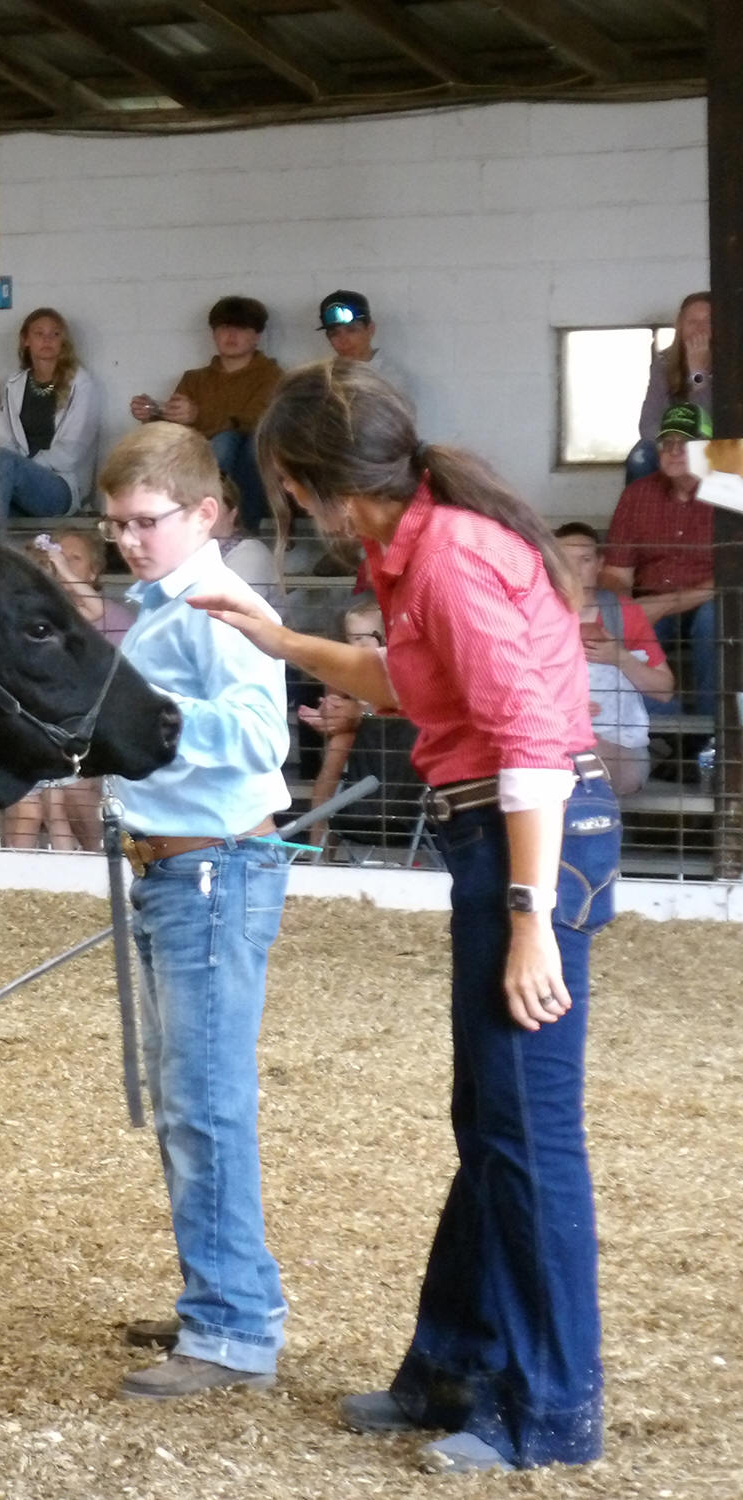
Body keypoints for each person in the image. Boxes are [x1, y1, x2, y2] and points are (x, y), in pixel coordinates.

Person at [192, 359, 618, 1475]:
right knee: (492, 1122)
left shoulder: (451, 557)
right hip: (500, 829)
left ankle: (549, 1411)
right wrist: (280, 640)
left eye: (286, 484)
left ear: (316, 480)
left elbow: (531, 743)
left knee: (527, 1133)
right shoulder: (415, 547)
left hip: (529, 835)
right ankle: (453, 1370)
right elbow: (411, 686)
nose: (287, 502)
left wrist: (529, 916)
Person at [94, 422, 293, 1404]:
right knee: (189, 1099)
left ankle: (232, 1330)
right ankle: (221, 1298)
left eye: (147, 521)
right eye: (116, 525)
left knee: (204, 1101)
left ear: (205, 513)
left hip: (211, 870)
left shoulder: (218, 607)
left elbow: (261, 737)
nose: (129, 540)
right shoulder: (164, 608)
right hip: (179, 870)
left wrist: (148, 723)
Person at [2, 529, 130, 852]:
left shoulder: (82, 614)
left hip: (75, 737)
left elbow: (96, 611)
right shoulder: (26, 614)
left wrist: (62, 569)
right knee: (32, 809)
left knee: (59, 801)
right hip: (35, 733)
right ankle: (16, 874)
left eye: (74, 559)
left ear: (93, 571)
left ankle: (79, 866)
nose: (62, 567)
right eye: (55, 561)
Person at [601, 401, 714, 720]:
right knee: (616, 623)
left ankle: (714, 734)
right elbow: (616, 574)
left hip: (708, 599)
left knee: (714, 621)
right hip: (650, 601)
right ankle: (664, 731)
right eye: (667, 442)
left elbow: (734, 576)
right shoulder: (638, 494)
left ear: (708, 448)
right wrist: (625, 609)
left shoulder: (732, 490)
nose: (674, 451)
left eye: (686, 442)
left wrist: (665, 603)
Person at [131, 297, 282, 533]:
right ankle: (211, 519)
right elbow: (175, 432)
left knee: (235, 441)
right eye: (224, 327)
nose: (231, 335)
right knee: (214, 443)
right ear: (213, 334)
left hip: (251, 474)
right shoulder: (194, 379)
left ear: (257, 336)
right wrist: (152, 414)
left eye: (241, 328)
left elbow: (255, 421)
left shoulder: (272, 376)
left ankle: (234, 524)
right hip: (197, 465)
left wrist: (197, 417)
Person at [299, 601, 432, 867]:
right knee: (334, 756)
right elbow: (338, 700)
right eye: (351, 639)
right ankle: (319, 846)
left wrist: (356, 711)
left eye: (363, 638)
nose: (356, 646)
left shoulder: (395, 663)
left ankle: (324, 842)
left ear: (385, 637)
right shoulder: (350, 666)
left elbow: (398, 704)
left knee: (346, 741)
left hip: (392, 736)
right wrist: (329, 709)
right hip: (361, 735)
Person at [557, 522, 671, 796]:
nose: (575, 569)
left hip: (619, 745)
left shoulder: (623, 613)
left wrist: (619, 657)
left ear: (600, 564)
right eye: (565, 560)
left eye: (585, 559)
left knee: (579, 763)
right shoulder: (535, 613)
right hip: (554, 740)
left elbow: (665, 690)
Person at [0, 307, 103, 518]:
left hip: (62, 484)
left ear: (63, 341)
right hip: (20, 478)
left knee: (3, 463)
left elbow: (72, 451)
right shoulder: (13, 384)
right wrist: (18, 469)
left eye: (55, 334)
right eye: (39, 333)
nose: (47, 340)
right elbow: (4, 438)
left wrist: (25, 467)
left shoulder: (80, 383)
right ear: (26, 340)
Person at [628, 292, 713, 480]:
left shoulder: (733, 368)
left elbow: (707, 420)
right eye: (692, 322)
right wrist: (672, 443)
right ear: (681, 327)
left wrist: (698, 373)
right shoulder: (664, 364)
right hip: (670, 441)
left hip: (713, 443)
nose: (700, 329)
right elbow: (647, 424)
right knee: (640, 457)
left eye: (708, 321)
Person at [317, 291, 414, 415]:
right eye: (334, 333)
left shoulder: (392, 379)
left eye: (352, 330)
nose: (344, 340)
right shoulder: (321, 379)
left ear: (370, 329)